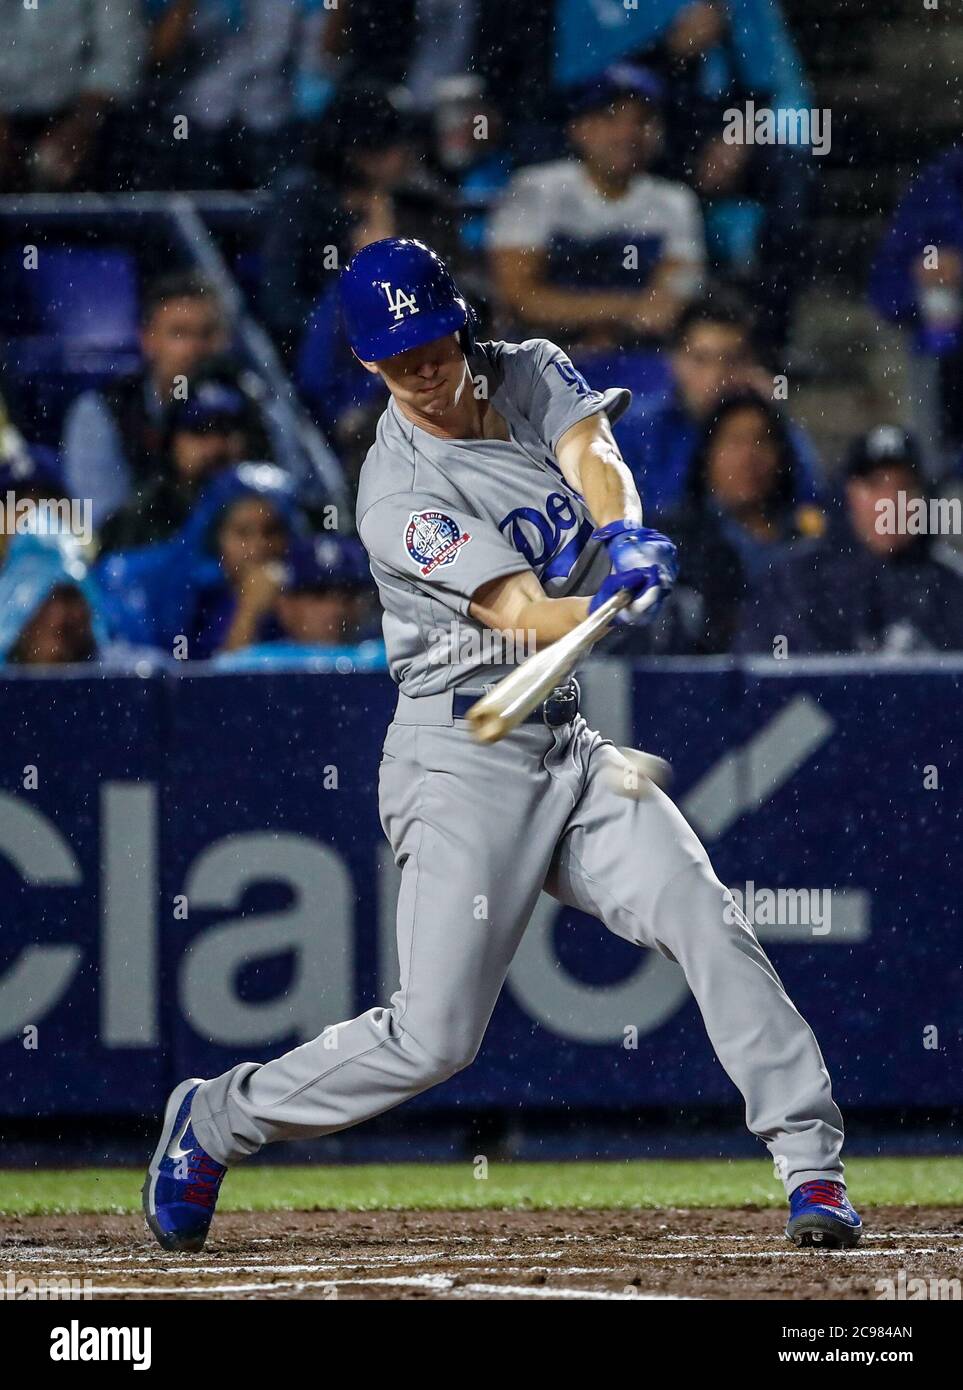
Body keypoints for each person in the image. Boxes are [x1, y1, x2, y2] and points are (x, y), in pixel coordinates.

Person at [142, 237, 861, 1256]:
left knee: (705, 913)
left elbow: (593, 458)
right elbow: (519, 609)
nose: (423, 375)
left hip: (565, 740)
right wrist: (596, 598)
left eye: (433, 346)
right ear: (366, 363)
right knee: (432, 1038)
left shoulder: (525, 368)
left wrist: (625, 535)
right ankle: (216, 1116)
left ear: (459, 325)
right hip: (459, 752)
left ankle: (811, 1166)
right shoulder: (393, 490)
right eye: (398, 361)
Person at [63, 270, 311, 528]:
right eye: (179, 333)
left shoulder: (255, 400)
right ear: (148, 340)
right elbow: (105, 524)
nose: (195, 348)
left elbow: (296, 497)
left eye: (206, 334)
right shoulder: (105, 410)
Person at [488, 64, 705, 347]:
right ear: (578, 129)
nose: (627, 133)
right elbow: (520, 299)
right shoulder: (536, 189)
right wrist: (625, 310)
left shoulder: (675, 202)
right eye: (611, 118)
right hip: (539, 354)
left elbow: (669, 302)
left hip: (638, 354)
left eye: (641, 120)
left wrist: (604, 328)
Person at [736, 425, 963, 655]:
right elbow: (761, 679)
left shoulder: (953, 585)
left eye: (904, 486)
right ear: (849, 492)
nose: (890, 502)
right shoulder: (791, 583)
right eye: (874, 484)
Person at [620, 291, 823, 514]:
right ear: (674, 361)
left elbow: (809, 507)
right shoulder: (635, 429)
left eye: (731, 360)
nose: (716, 377)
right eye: (701, 359)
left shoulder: (773, 433)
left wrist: (773, 419)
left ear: (751, 364)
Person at [97, 463, 304, 660]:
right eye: (243, 533)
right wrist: (249, 612)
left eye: (272, 531)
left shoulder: (308, 592)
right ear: (217, 539)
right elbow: (219, 689)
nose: (258, 547)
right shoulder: (192, 600)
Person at [97, 365, 264, 551]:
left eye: (225, 430)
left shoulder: (272, 516)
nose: (214, 447)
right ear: (172, 442)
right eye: (199, 430)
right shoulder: (133, 523)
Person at [0, 0, 144, 192]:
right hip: (7, 114)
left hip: (79, 110)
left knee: (58, 164)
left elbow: (121, 53)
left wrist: (83, 122)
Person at [215, 534, 387, 671]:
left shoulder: (386, 658)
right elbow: (222, 680)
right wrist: (249, 610)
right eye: (318, 593)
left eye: (348, 594)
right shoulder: (261, 662)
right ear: (285, 604)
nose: (336, 608)